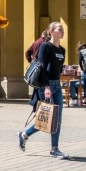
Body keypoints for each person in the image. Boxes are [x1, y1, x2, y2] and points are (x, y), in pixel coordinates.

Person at [18, 22, 70, 158]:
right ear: (51, 32)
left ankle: (54, 149)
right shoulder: (45, 46)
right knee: (47, 118)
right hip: (46, 86)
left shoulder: (62, 50)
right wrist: (46, 87)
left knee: (57, 118)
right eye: (60, 29)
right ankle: (24, 134)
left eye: (63, 29)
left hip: (57, 86)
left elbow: (57, 69)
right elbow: (42, 68)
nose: (62, 31)